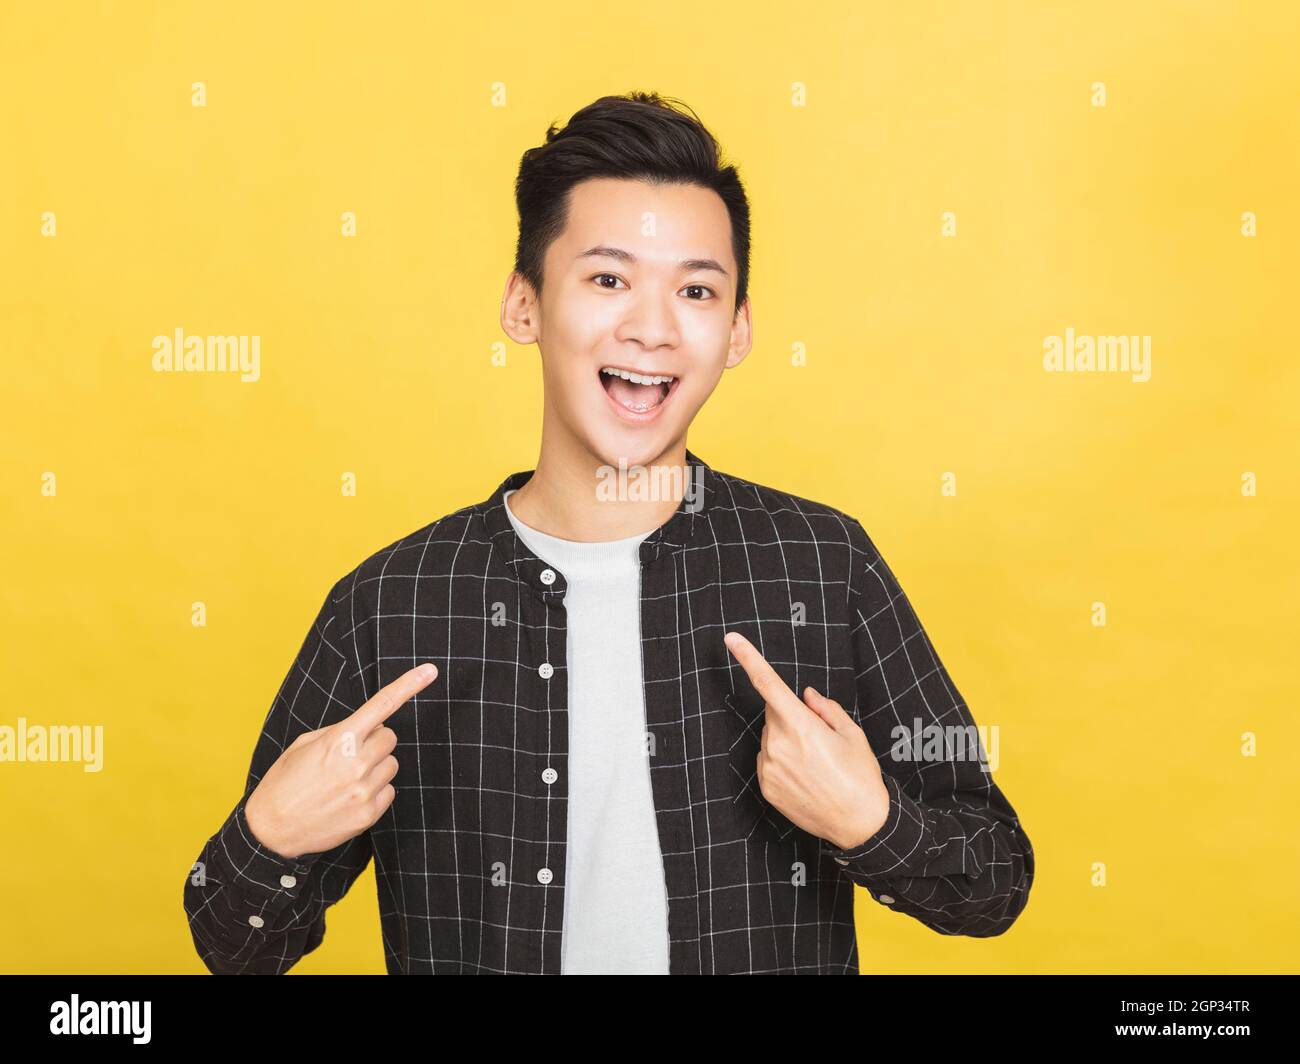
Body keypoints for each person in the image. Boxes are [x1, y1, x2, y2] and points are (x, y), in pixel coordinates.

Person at [183, 90, 1034, 975]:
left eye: (696, 290)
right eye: (608, 279)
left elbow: (995, 880)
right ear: (524, 306)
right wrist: (270, 834)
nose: (652, 328)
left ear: (737, 328)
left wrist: (872, 824)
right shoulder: (390, 603)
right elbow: (233, 946)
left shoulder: (823, 565)